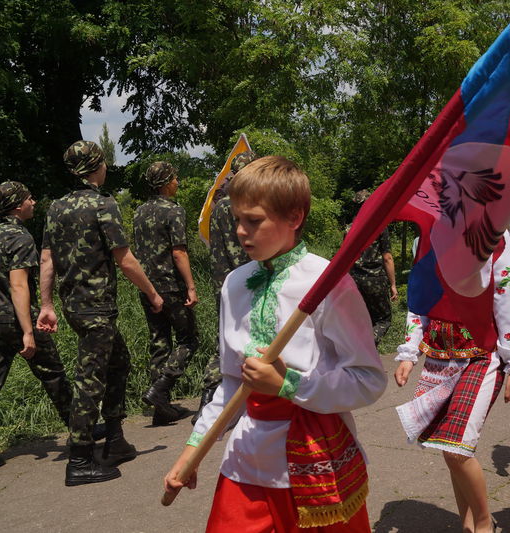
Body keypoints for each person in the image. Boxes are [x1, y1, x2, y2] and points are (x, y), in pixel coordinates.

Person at [164, 156, 386, 532]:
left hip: (316, 463)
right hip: (247, 461)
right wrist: (192, 451)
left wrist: (289, 384)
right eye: (237, 219)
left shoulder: (327, 282)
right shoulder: (235, 284)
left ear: (294, 217)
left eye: (254, 220)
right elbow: (232, 382)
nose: (240, 231)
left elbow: (367, 379)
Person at [38, 140, 164, 486]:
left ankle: (115, 437)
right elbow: (125, 259)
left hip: (74, 306)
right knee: (90, 378)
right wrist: (152, 293)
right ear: (97, 166)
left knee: (118, 360)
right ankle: (80, 459)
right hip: (97, 307)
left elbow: (47, 259)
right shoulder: (103, 204)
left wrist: (47, 305)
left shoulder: (57, 208)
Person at [395, 232, 510, 533]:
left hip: (482, 353)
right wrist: (408, 353)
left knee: (457, 448)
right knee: (448, 448)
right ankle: (467, 525)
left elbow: (505, 297)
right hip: (440, 354)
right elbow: (420, 299)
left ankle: (484, 525)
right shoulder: (426, 240)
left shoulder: (495, 237)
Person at [0, 182, 73, 472]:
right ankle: (81, 430)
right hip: (14, 317)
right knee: (53, 372)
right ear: (18, 205)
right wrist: (27, 331)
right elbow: (19, 285)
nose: (34, 201)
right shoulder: (20, 237)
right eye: (29, 198)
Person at [133, 162, 199, 425]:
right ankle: (161, 389)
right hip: (171, 286)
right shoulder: (174, 211)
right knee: (189, 339)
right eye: (174, 178)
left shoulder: (138, 212)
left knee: (159, 341)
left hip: (147, 286)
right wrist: (191, 286)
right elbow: (178, 252)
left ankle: (161, 409)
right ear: (165, 182)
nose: (178, 181)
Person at [194, 150, 254, 424]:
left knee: (228, 339)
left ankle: (219, 401)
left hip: (222, 281)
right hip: (238, 281)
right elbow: (237, 250)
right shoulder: (235, 205)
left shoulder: (220, 204)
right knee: (233, 340)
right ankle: (210, 401)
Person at [349, 190, 398, 346]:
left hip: (354, 279)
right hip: (374, 279)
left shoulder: (349, 227)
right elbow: (387, 257)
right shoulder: (379, 225)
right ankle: (365, 347)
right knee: (383, 319)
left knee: (362, 319)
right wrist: (393, 284)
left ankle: (359, 356)